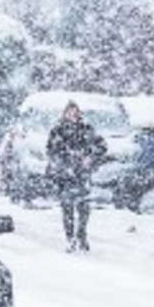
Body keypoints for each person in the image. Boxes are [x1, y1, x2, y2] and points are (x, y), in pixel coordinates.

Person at [47, 101, 107, 252]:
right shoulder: (57, 130)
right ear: (65, 113)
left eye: (76, 112)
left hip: (82, 175)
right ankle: (70, 239)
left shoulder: (86, 129)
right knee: (67, 208)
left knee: (84, 208)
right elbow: (51, 151)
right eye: (70, 112)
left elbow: (102, 146)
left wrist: (90, 158)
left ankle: (81, 235)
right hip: (65, 176)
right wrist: (63, 162)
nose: (73, 115)